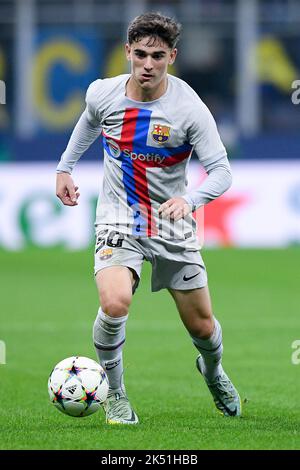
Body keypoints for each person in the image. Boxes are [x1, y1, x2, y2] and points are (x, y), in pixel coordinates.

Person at [56, 12, 241, 425]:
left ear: (172, 56)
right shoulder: (102, 93)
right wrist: (65, 168)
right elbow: (89, 123)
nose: (148, 64)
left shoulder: (190, 109)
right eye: (140, 54)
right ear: (127, 52)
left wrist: (190, 200)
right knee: (115, 301)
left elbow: (224, 172)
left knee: (203, 327)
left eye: (158, 55)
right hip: (118, 218)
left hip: (172, 224)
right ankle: (115, 395)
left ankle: (213, 372)